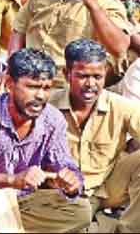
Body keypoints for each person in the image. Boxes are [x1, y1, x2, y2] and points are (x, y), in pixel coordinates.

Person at [0, 48, 92, 233]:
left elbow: (64, 164)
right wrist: (11, 180)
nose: (40, 96)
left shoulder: (52, 120)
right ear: (9, 84)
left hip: (20, 203)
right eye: (31, 87)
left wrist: (71, 182)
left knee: (80, 211)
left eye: (46, 88)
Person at [51, 38, 140, 233]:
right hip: (61, 195)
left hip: (106, 188)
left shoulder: (120, 106)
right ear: (67, 74)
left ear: (105, 73)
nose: (90, 84)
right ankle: (101, 225)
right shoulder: (48, 106)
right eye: (82, 76)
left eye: (97, 77)